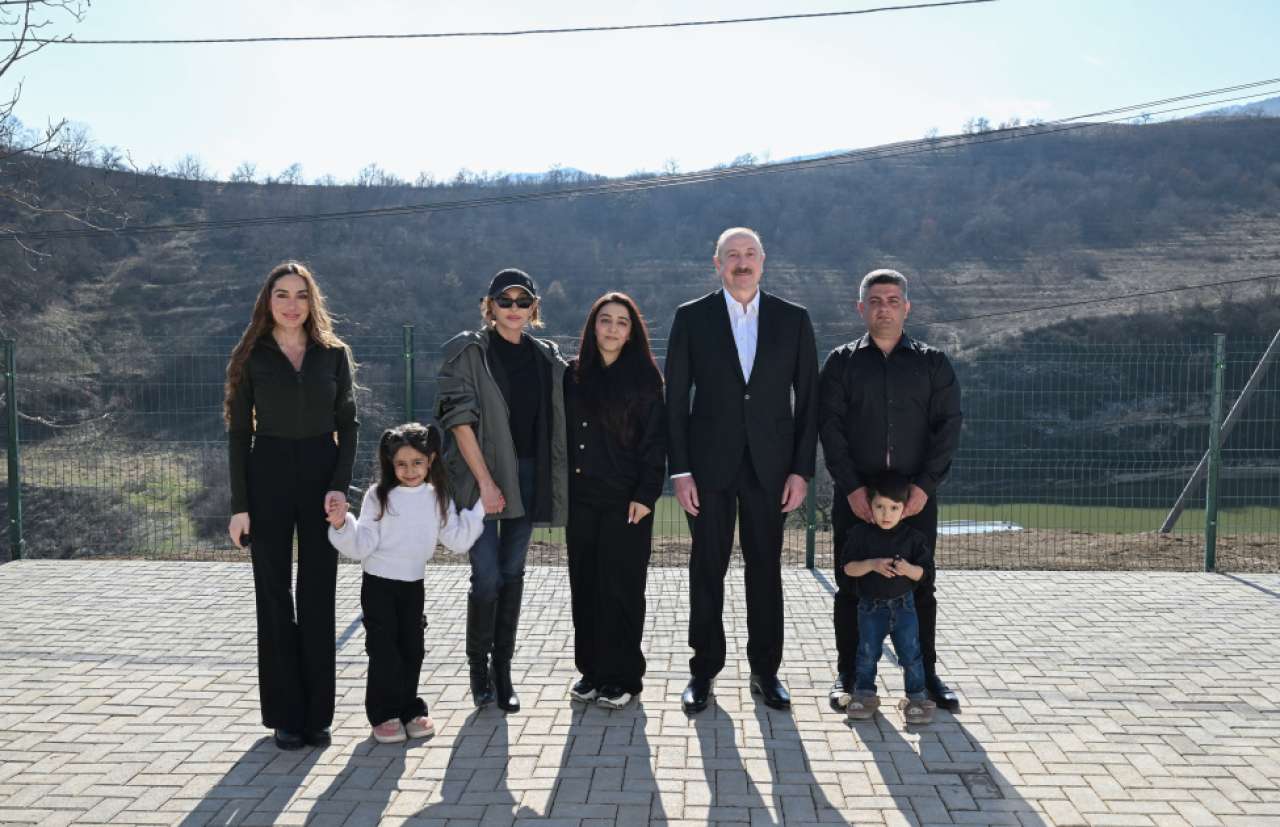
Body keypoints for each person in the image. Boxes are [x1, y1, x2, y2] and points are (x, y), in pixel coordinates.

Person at [665, 227, 819, 713]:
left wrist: (800, 471)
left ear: (763, 260)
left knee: (765, 569)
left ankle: (765, 671)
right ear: (717, 264)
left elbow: (808, 402)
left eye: (750, 253)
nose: (742, 262)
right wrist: (680, 471)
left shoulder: (794, 319)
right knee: (706, 568)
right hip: (707, 468)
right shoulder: (691, 317)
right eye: (732, 255)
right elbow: (675, 400)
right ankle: (703, 670)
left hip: (772, 468)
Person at [224, 260, 358, 751]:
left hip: (322, 477)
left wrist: (340, 486)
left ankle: (317, 715)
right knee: (274, 596)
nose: (291, 304)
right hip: (269, 476)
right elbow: (239, 433)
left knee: (318, 594)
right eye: (282, 294)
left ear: (312, 301)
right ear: (268, 301)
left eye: (301, 294)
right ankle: (285, 716)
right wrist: (241, 505)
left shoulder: (333, 354)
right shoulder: (251, 356)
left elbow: (350, 425)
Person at [818, 268, 963, 714]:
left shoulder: (932, 363)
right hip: (857, 499)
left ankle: (926, 676)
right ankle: (848, 673)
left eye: (893, 300)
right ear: (861, 308)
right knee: (850, 583)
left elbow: (948, 427)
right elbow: (830, 429)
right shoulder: (841, 363)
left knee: (920, 585)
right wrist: (851, 489)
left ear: (907, 307)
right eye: (876, 301)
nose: (884, 308)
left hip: (915, 500)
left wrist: (924, 488)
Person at [436, 268, 568, 714]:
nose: (514, 308)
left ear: (534, 308)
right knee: (488, 575)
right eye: (504, 300)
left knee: (513, 572)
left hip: (529, 476)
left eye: (522, 301)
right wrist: (486, 484)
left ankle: (503, 671)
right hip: (481, 477)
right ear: (489, 306)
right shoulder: (468, 352)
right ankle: (478, 668)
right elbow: (459, 421)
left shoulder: (547, 357)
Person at [326, 423, 485, 743]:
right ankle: (383, 714)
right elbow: (361, 545)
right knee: (384, 650)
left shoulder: (437, 496)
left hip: (413, 584)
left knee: (413, 649)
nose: (410, 470)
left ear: (431, 460)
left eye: (417, 462)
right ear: (390, 463)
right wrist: (342, 524)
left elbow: (457, 539)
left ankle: (409, 710)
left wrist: (481, 507)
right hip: (378, 584)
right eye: (401, 464)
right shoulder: (378, 496)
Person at [565, 292, 666, 710]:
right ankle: (591, 672)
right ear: (593, 327)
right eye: (605, 320)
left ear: (631, 332)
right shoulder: (573, 375)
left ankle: (623, 677)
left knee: (621, 590)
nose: (612, 328)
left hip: (627, 502)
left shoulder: (646, 379)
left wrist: (646, 495)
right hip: (581, 499)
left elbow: (655, 442)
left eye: (621, 322)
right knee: (585, 586)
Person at [838, 472, 935, 725]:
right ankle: (864, 694)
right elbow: (848, 569)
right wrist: (872, 564)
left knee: (911, 654)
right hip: (870, 608)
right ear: (870, 505)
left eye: (894, 508)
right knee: (867, 652)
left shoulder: (913, 538)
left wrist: (908, 569)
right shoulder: (860, 535)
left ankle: (916, 698)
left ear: (904, 508)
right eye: (879, 506)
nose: (886, 514)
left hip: (904, 607)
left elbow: (925, 574)